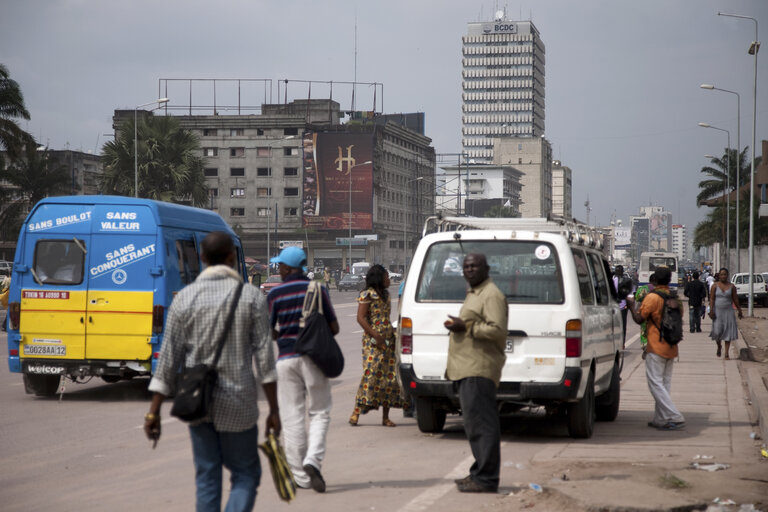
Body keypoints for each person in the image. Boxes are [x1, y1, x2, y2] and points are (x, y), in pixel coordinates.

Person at [143, 231, 280, 512]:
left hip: (199, 403)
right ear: (232, 257)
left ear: (202, 258)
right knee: (245, 474)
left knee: (207, 477)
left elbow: (167, 362)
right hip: (239, 404)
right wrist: (275, 411)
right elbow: (265, 363)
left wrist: (153, 412)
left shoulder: (184, 299)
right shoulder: (252, 297)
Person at [267, 246, 339, 493]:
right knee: (319, 412)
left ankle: (301, 477)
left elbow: (268, 330)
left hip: (286, 360)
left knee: (292, 417)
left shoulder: (275, 294)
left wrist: (283, 335)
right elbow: (335, 327)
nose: (278, 269)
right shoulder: (318, 290)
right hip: (313, 359)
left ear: (289, 268)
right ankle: (313, 461)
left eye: (280, 266)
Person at [444, 253, 507, 493]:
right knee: (474, 424)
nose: (470, 270)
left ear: (486, 269)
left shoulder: (491, 295)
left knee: (482, 424)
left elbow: (498, 331)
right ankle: (479, 472)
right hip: (467, 368)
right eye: (467, 266)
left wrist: (466, 326)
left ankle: (487, 478)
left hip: (479, 368)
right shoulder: (475, 293)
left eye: (475, 266)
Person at [627, 266, 685, 431]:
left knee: (655, 384)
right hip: (671, 345)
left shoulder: (652, 297)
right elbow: (679, 317)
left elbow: (639, 319)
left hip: (656, 345)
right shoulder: (675, 298)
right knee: (664, 384)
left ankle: (674, 415)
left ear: (654, 281)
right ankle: (661, 419)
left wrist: (631, 305)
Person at [349, 264, 407, 427]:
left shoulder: (386, 295)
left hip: (388, 339)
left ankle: (385, 417)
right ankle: (356, 412)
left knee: (389, 378)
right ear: (379, 278)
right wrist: (376, 336)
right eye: (386, 277)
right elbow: (360, 318)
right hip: (372, 341)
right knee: (371, 374)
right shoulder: (367, 294)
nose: (389, 279)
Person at [708, 267, 743, 360]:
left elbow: (735, 299)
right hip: (717, 312)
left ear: (727, 276)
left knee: (727, 332)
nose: (723, 276)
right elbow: (711, 299)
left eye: (725, 274)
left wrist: (739, 310)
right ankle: (719, 346)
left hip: (728, 312)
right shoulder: (714, 286)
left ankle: (726, 353)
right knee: (717, 332)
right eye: (721, 274)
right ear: (719, 276)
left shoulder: (732, 287)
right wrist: (711, 310)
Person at [633, 272, 658, 351]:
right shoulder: (659, 289)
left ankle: (645, 345)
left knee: (644, 329)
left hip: (644, 312)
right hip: (656, 313)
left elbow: (637, 297)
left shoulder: (643, 288)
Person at [612, 265, 631, 345]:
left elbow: (630, 293)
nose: (618, 272)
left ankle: (622, 343)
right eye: (617, 270)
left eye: (620, 270)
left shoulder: (626, 281)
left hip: (622, 305)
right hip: (613, 305)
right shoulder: (612, 280)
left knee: (622, 325)